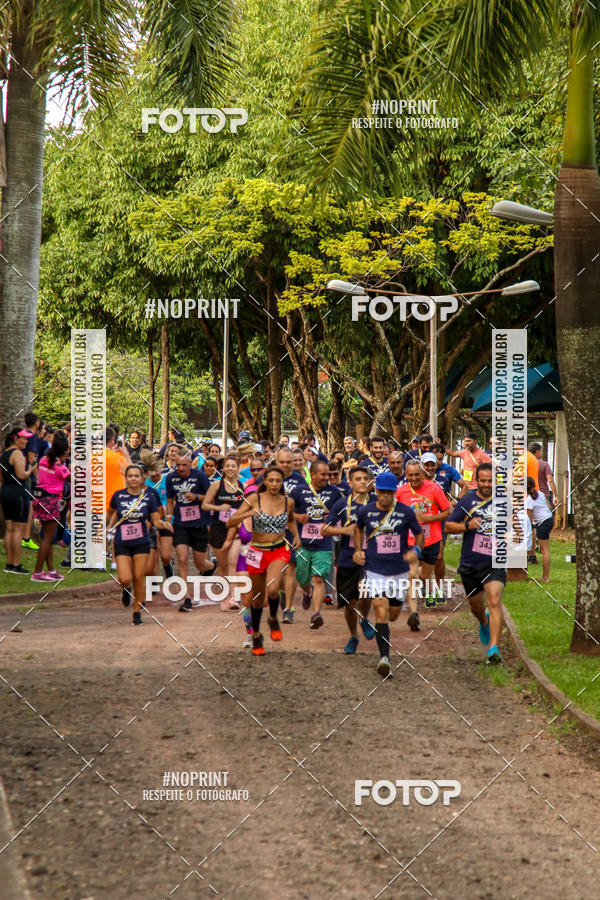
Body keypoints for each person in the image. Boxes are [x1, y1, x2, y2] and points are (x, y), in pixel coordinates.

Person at [353, 472, 424, 678]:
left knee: (393, 614)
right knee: (381, 611)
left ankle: (385, 649)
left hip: (398, 571)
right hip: (374, 570)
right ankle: (384, 658)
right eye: (381, 492)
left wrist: (416, 551)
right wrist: (359, 550)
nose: (385, 496)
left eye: (389, 493)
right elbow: (357, 529)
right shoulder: (366, 511)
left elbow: (419, 534)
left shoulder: (406, 512)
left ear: (394, 493)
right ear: (376, 491)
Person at [229, 467, 301, 656]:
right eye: (271, 481)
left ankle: (272, 618)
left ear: (282, 483)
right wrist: (248, 513)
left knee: (273, 589)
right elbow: (230, 521)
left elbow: (291, 520)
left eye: (278, 481)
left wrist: (296, 536)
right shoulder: (255, 499)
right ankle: (257, 636)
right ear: (265, 482)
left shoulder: (288, 502)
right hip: (256, 551)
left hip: (278, 550)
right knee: (257, 598)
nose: (275, 484)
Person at [445, 463, 506, 665]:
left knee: (495, 600)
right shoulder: (467, 500)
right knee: (475, 607)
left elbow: (515, 526)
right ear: (477, 481)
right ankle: (483, 621)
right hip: (471, 562)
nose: (487, 484)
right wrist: (467, 525)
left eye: (490, 480)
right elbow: (448, 526)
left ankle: (494, 648)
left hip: (494, 562)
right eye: (483, 480)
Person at [107, 464, 173, 624]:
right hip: (122, 541)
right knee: (125, 578)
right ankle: (125, 588)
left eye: (137, 476)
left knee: (138, 576)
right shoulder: (118, 496)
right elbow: (110, 514)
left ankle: (137, 612)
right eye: (130, 476)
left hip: (142, 541)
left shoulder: (149, 497)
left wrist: (163, 524)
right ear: (126, 478)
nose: (133, 479)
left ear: (142, 478)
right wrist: (104, 529)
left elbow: (156, 519)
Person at [322, 466, 376, 654]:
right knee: (350, 603)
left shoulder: (378, 502)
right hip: (347, 557)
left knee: (366, 589)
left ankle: (365, 619)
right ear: (350, 482)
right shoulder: (342, 504)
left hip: (371, 557)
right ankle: (353, 635)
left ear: (370, 481)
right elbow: (325, 529)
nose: (362, 482)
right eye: (358, 479)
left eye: (365, 478)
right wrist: (344, 530)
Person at [291, 460, 342, 629]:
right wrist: (298, 518)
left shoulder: (334, 492)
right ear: (312, 475)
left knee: (318, 578)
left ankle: (316, 614)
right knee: (302, 577)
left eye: (329, 474)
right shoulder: (298, 491)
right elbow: (286, 511)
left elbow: (342, 511)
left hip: (323, 543)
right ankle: (307, 592)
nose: (327, 478)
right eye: (323, 474)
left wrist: (332, 519)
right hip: (303, 543)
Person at [396, 459, 450, 617]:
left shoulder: (434, 488)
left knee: (425, 575)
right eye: (410, 475)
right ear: (406, 475)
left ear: (423, 474)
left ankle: (429, 589)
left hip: (431, 539)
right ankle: (413, 612)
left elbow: (447, 511)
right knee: (412, 574)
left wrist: (428, 519)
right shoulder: (401, 492)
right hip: (411, 541)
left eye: (417, 475)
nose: (414, 478)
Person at [166, 447, 212, 612]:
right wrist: (169, 517)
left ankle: (212, 566)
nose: (181, 468)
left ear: (191, 463)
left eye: (184, 465)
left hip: (199, 523)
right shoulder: (171, 478)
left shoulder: (200, 477)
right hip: (181, 525)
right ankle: (186, 598)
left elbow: (210, 496)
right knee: (182, 558)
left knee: (201, 564)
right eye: (178, 464)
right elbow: (170, 500)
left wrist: (197, 497)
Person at [202, 454, 246, 610]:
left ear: (238, 468)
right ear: (223, 468)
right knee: (222, 565)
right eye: (227, 466)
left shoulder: (242, 487)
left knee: (233, 562)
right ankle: (225, 597)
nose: (230, 469)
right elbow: (205, 505)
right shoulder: (216, 485)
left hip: (235, 530)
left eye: (233, 466)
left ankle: (233, 598)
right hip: (218, 528)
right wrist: (218, 508)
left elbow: (247, 508)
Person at [30, 434, 70, 582]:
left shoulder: (44, 460)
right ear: (64, 451)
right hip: (51, 501)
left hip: (40, 499)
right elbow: (73, 479)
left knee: (47, 536)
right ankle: (38, 572)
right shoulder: (60, 467)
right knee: (48, 539)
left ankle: (51, 570)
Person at [275, 446, 306, 624]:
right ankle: (282, 592)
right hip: (272, 530)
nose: (286, 465)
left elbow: (303, 504)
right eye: (282, 462)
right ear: (276, 462)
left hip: (292, 529)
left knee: (291, 567)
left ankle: (289, 608)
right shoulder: (270, 478)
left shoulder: (299, 479)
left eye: (289, 462)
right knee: (278, 571)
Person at [1, 429, 38, 574]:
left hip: (6, 491)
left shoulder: (4, 455)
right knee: (18, 530)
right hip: (18, 493)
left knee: (9, 528)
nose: (26, 442)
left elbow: (2, 477)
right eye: (24, 439)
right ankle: (15, 564)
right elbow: (21, 474)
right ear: (16, 439)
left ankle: (9, 564)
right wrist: (31, 469)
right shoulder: (17, 454)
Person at [142, 450, 174, 580]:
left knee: (165, 555)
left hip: (166, 520)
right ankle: (153, 581)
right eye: (152, 470)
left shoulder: (168, 480)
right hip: (150, 522)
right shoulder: (143, 483)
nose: (155, 473)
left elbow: (173, 501)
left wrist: (171, 514)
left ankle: (167, 566)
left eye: (157, 470)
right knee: (153, 556)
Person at [526, 476, 554, 582]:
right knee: (545, 550)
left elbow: (528, 520)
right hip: (549, 519)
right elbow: (550, 507)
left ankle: (545, 577)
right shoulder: (541, 494)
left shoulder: (528, 501)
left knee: (545, 551)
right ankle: (545, 576)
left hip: (542, 523)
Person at [104, 426, 127, 515]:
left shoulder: (91, 457)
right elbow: (132, 472)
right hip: (114, 505)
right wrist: (125, 454)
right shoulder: (117, 457)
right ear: (112, 441)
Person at [529, 442, 558, 507]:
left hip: (529, 496)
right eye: (541, 451)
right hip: (543, 495)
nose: (542, 453)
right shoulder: (544, 464)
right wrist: (555, 495)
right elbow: (550, 480)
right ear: (537, 452)